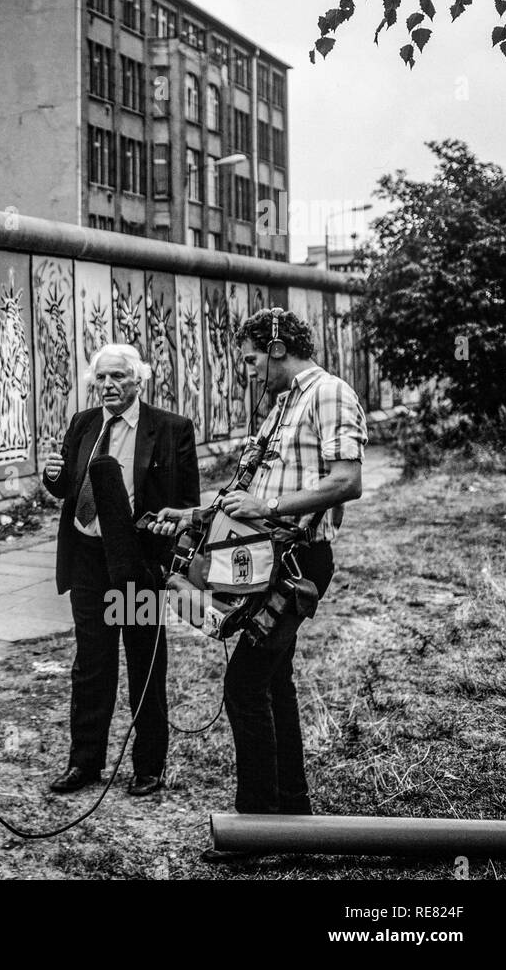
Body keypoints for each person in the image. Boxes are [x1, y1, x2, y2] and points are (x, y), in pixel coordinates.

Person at [154, 307, 366, 834]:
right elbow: (252, 495)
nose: (247, 371)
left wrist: (270, 511)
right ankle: (293, 815)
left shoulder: (329, 392)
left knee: (244, 686)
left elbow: (347, 482)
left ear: (276, 348)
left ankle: (255, 827)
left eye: (251, 359)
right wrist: (196, 515)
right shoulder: (279, 404)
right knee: (274, 683)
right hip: (261, 561)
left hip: (296, 564)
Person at [42, 343, 200, 798]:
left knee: (142, 663)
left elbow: (188, 503)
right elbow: (69, 488)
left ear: (138, 380)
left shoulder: (170, 429)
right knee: (92, 665)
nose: (108, 386)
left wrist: (165, 563)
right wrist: (55, 477)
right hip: (88, 559)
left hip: (134, 563)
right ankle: (84, 763)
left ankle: (148, 766)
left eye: (117, 378)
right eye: (101, 379)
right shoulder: (84, 424)